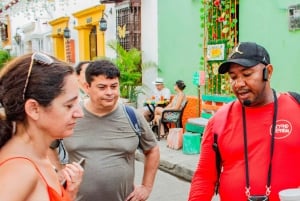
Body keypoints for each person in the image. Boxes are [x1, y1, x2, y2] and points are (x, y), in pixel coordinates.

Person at [188, 42, 300, 201]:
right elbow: (204, 176)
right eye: (233, 77)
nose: (239, 83)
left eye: (247, 74)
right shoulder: (219, 120)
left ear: (268, 72)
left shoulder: (296, 107)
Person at [63, 59, 160, 201]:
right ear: (87, 87)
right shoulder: (71, 115)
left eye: (114, 86)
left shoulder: (132, 116)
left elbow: (152, 150)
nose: (110, 92)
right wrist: (59, 174)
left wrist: (146, 187)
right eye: (102, 87)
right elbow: (48, 147)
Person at [0, 52, 84, 201]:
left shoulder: (39, 157)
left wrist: (68, 194)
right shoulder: (19, 172)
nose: (79, 113)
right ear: (34, 109)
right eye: (69, 105)